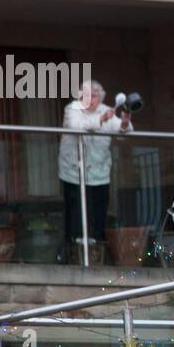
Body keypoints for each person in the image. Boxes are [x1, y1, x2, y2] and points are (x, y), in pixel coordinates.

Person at [57, 80, 130, 263]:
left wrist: (124, 124)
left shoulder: (106, 109)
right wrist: (101, 120)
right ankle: (73, 254)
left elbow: (124, 133)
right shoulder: (72, 109)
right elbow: (76, 127)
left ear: (100, 98)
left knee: (99, 212)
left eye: (94, 96)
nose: (90, 99)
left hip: (99, 172)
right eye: (86, 95)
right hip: (73, 171)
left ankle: (97, 252)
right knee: (75, 213)